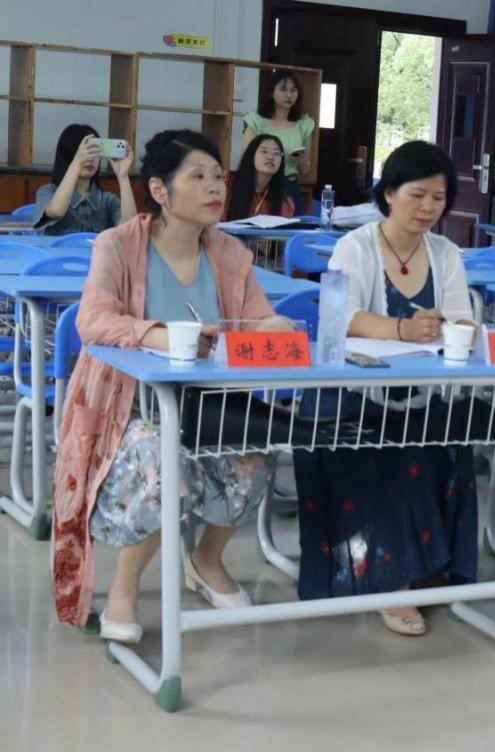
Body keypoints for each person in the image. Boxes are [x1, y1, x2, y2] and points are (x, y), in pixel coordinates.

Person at [51, 129, 290, 642]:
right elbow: (92, 321)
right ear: (160, 190)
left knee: (258, 447)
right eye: (197, 177)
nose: (214, 187)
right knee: (163, 459)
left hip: (209, 404)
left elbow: (257, 320)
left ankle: (206, 560)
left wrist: (273, 328)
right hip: (128, 407)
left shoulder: (230, 254)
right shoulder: (118, 245)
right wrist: (160, 335)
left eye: (217, 176)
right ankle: (125, 587)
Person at [295, 141, 478, 637]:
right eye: (417, 195)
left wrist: (452, 328)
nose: (428, 208)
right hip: (351, 395)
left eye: (439, 198)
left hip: (420, 392)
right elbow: (341, 317)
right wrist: (402, 329)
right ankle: (391, 580)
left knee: (454, 444)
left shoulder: (445, 253)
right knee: (394, 451)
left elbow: (462, 318)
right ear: (389, 194)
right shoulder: (355, 247)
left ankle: (433, 567)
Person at [34, 124, 137, 235]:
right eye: (86, 152)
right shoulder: (47, 192)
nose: (91, 159)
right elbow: (56, 211)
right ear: (68, 155)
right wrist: (77, 162)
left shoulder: (107, 201)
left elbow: (130, 229)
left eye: (95, 152)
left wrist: (123, 177)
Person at [240, 69, 316, 208]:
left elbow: (304, 170)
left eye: (293, 90)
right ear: (271, 92)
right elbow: (246, 158)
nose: (289, 95)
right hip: (262, 184)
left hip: (289, 185)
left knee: (293, 221)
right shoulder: (256, 121)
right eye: (283, 89)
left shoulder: (304, 124)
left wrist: (302, 160)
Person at [223, 134, 295, 221]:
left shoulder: (284, 202)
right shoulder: (227, 183)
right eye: (264, 151)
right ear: (251, 154)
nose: (270, 157)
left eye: (276, 153)